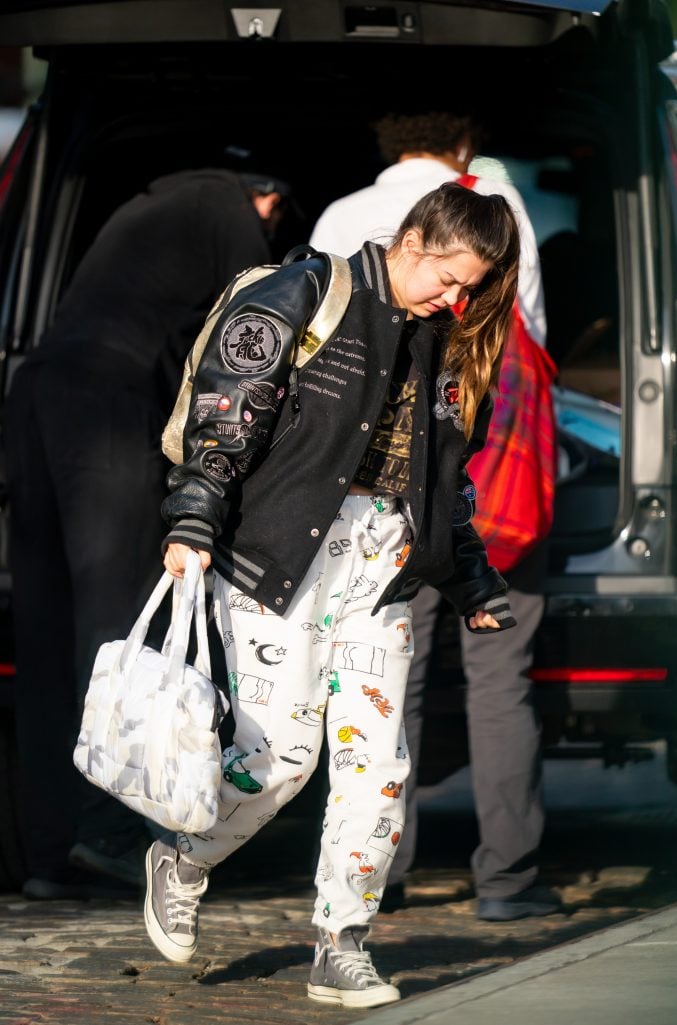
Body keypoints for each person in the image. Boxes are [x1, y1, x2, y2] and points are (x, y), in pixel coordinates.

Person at [143, 182, 520, 1010]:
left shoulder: (451, 345)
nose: (457, 298)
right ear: (414, 239)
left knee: (376, 765)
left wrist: (471, 580)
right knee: (279, 757)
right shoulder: (304, 292)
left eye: (472, 287)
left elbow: (442, 483)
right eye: (451, 277)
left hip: (381, 569)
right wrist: (194, 520)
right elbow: (226, 410)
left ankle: (341, 942)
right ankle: (184, 855)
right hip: (280, 554)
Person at [5, 166, 289, 900]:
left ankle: (45, 851)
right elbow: (255, 327)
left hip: (36, 391)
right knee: (114, 626)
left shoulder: (156, 200)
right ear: (270, 200)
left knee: (45, 628)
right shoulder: (231, 206)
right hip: (104, 400)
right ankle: (107, 833)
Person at [310, 111, 561, 921]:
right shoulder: (495, 206)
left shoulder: (339, 220)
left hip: (382, 496)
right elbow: (529, 343)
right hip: (488, 490)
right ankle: (507, 882)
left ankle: (378, 876)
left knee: (386, 686)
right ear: (460, 145)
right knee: (499, 680)